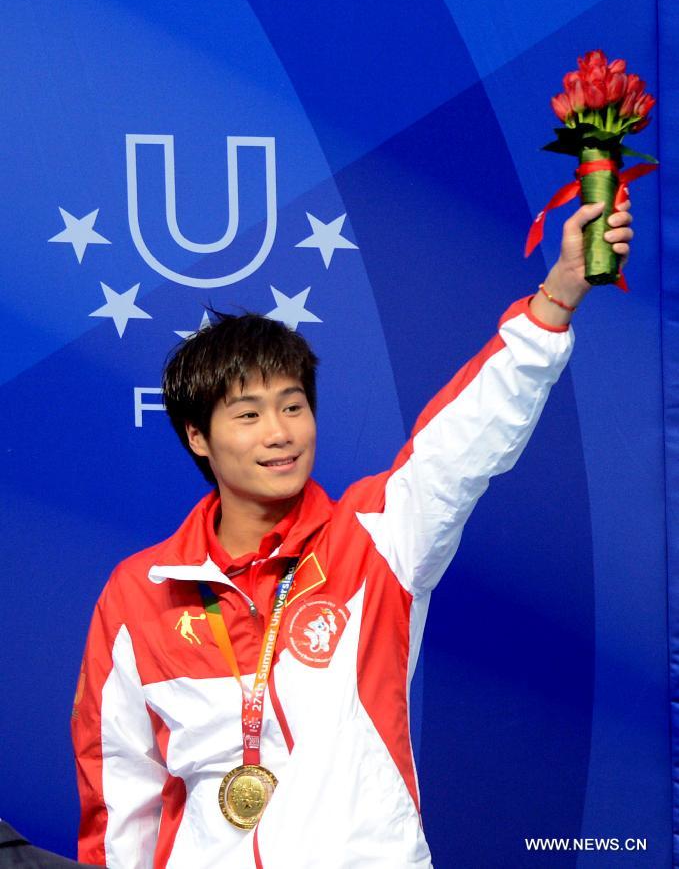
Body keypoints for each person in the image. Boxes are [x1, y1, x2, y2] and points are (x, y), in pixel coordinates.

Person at [72, 201, 633, 868]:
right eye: (247, 414)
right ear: (197, 436)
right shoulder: (142, 593)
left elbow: (462, 444)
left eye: (293, 406)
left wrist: (556, 298)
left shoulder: (377, 537)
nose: (279, 433)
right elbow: (118, 796)